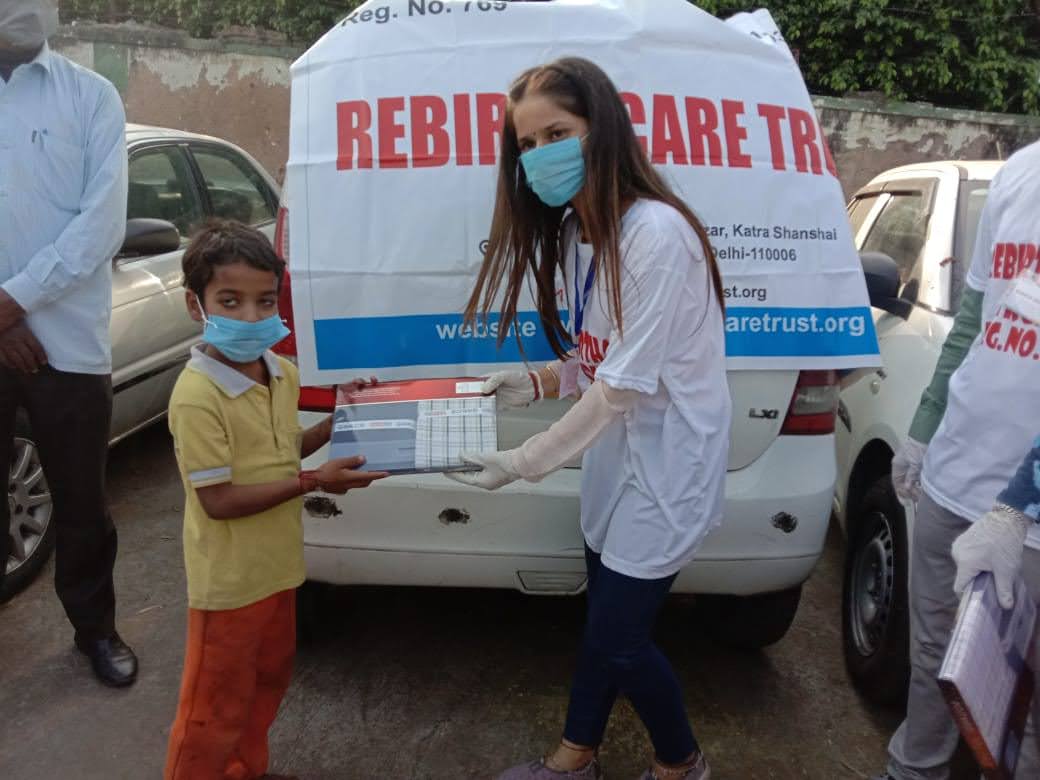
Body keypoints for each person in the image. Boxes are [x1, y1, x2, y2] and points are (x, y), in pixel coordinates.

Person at [449, 57, 730, 780]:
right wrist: (541, 378)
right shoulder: (582, 231)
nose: (542, 154)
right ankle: (576, 756)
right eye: (528, 144)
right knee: (605, 623)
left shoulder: (655, 234)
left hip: (667, 467)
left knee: (622, 638)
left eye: (557, 133)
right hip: (617, 461)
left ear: (600, 128)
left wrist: (524, 462)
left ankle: (682, 764)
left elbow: (622, 388)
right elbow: (600, 354)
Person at [162, 221, 388, 780]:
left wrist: (341, 420)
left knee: (265, 685)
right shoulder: (196, 396)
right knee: (211, 711)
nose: (250, 316)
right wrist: (313, 483)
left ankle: (244, 770)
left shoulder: (281, 373)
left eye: (265, 301)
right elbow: (218, 500)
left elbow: (285, 450)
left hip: (279, 570)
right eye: (230, 301)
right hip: (228, 585)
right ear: (195, 305)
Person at [876, 140, 1040, 780]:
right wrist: (923, 430)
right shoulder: (1020, 173)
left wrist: (1019, 505)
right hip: (955, 477)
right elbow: (972, 324)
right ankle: (913, 768)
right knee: (933, 655)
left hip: (1030, 523)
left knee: (1027, 700)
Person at [0, 0, 135, 686]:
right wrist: (4, 319)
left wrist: (14, 300)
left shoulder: (91, 96)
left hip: (70, 349)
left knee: (82, 506)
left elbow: (102, 224)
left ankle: (96, 631)